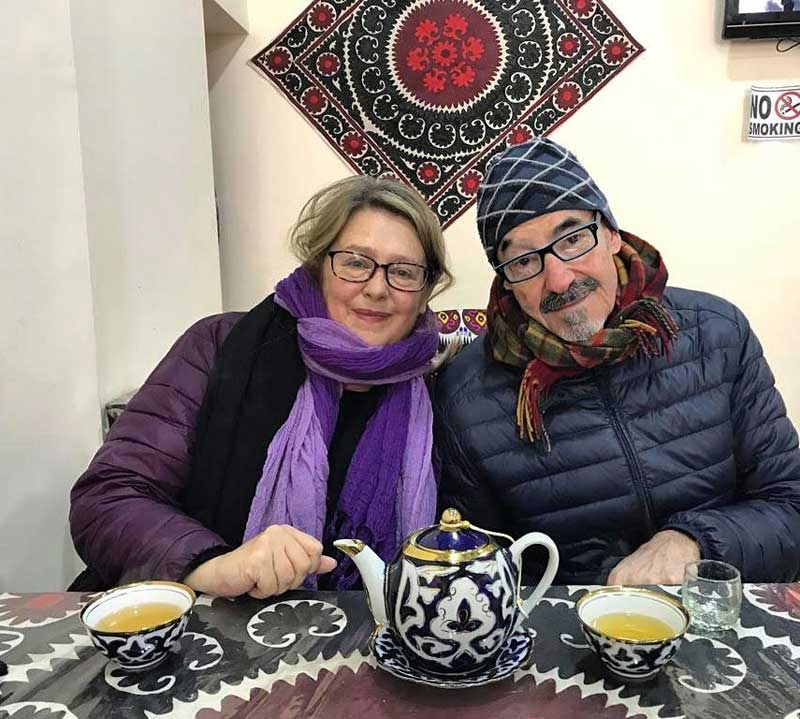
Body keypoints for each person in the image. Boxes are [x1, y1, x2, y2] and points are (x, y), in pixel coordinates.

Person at [434, 137, 800, 586]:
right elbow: (475, 564)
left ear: (610, 234)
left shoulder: (718, 335)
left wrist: (693, 542)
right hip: (568, 633)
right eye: (524, 260)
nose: (559, 278)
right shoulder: (467, 390)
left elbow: (789, 506)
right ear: (506, 281)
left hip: (712, 616)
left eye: (572, 239)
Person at [70, 175, 452, 597]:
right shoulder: (220, 346)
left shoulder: (436, 389)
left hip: (368, 641)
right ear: (318, 265)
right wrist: (211, 565)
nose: (377, 288)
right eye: (356, 262)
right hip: (203, 625)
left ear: (424, 290)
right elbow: (107, 497)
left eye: (403, 271)